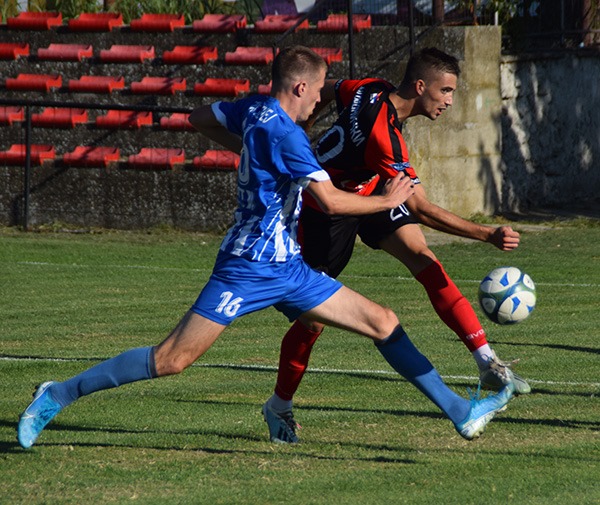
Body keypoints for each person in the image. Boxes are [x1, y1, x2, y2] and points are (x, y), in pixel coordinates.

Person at [17, 46, 513, 450]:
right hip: (244, 269)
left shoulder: (254, 110)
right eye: (317, 92)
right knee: (170, 360)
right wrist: (387, 199)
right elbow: (332, 202)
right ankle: (57, 394)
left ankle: (459, 411)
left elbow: (199, 118)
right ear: (300, 87)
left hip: (291, 268)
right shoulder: (290, 139)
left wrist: (250, 151)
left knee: (382, 321)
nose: (321, 101)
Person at [262, 47, 529, 444]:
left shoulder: (367, 87)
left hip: (371, 192)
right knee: (312, 321)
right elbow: (419, 207)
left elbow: (328, 89)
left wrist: (302, 125)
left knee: (424, 258)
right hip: (325, 212)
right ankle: (278, 405)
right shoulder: (384, 136)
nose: (450, 101)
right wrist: (485, 234)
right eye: (446, 91)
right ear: (421, 87)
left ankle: (487, 362)